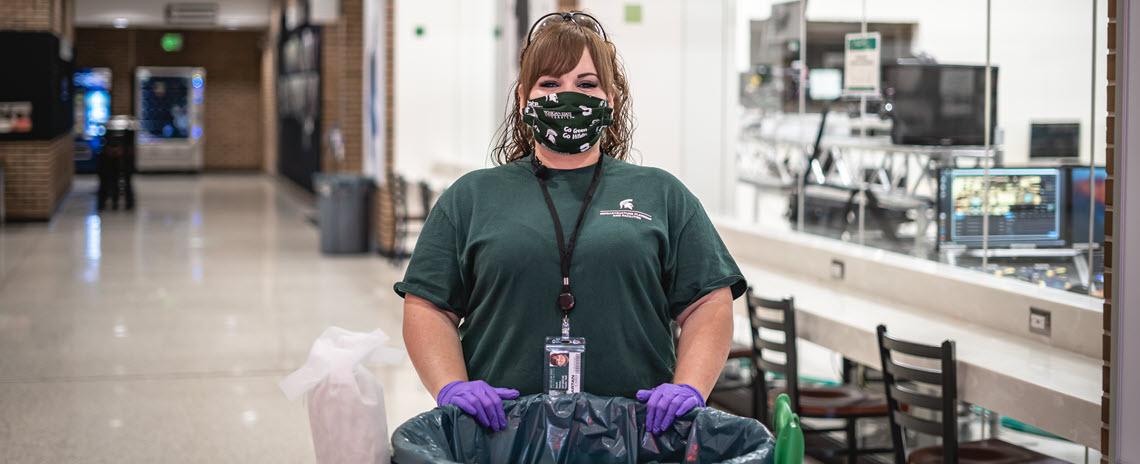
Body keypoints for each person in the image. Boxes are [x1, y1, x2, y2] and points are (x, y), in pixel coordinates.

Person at [396, 11, 746, 435]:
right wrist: (451, 386)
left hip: (637, 437)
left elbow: (708, 301)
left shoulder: (662, 194)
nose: (568, 96)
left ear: (611, 100)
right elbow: (429, 305)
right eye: (549, 84)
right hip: (501, 437)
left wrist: (689, 386)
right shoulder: (471, 197)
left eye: (586, 84)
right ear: (524, 100)